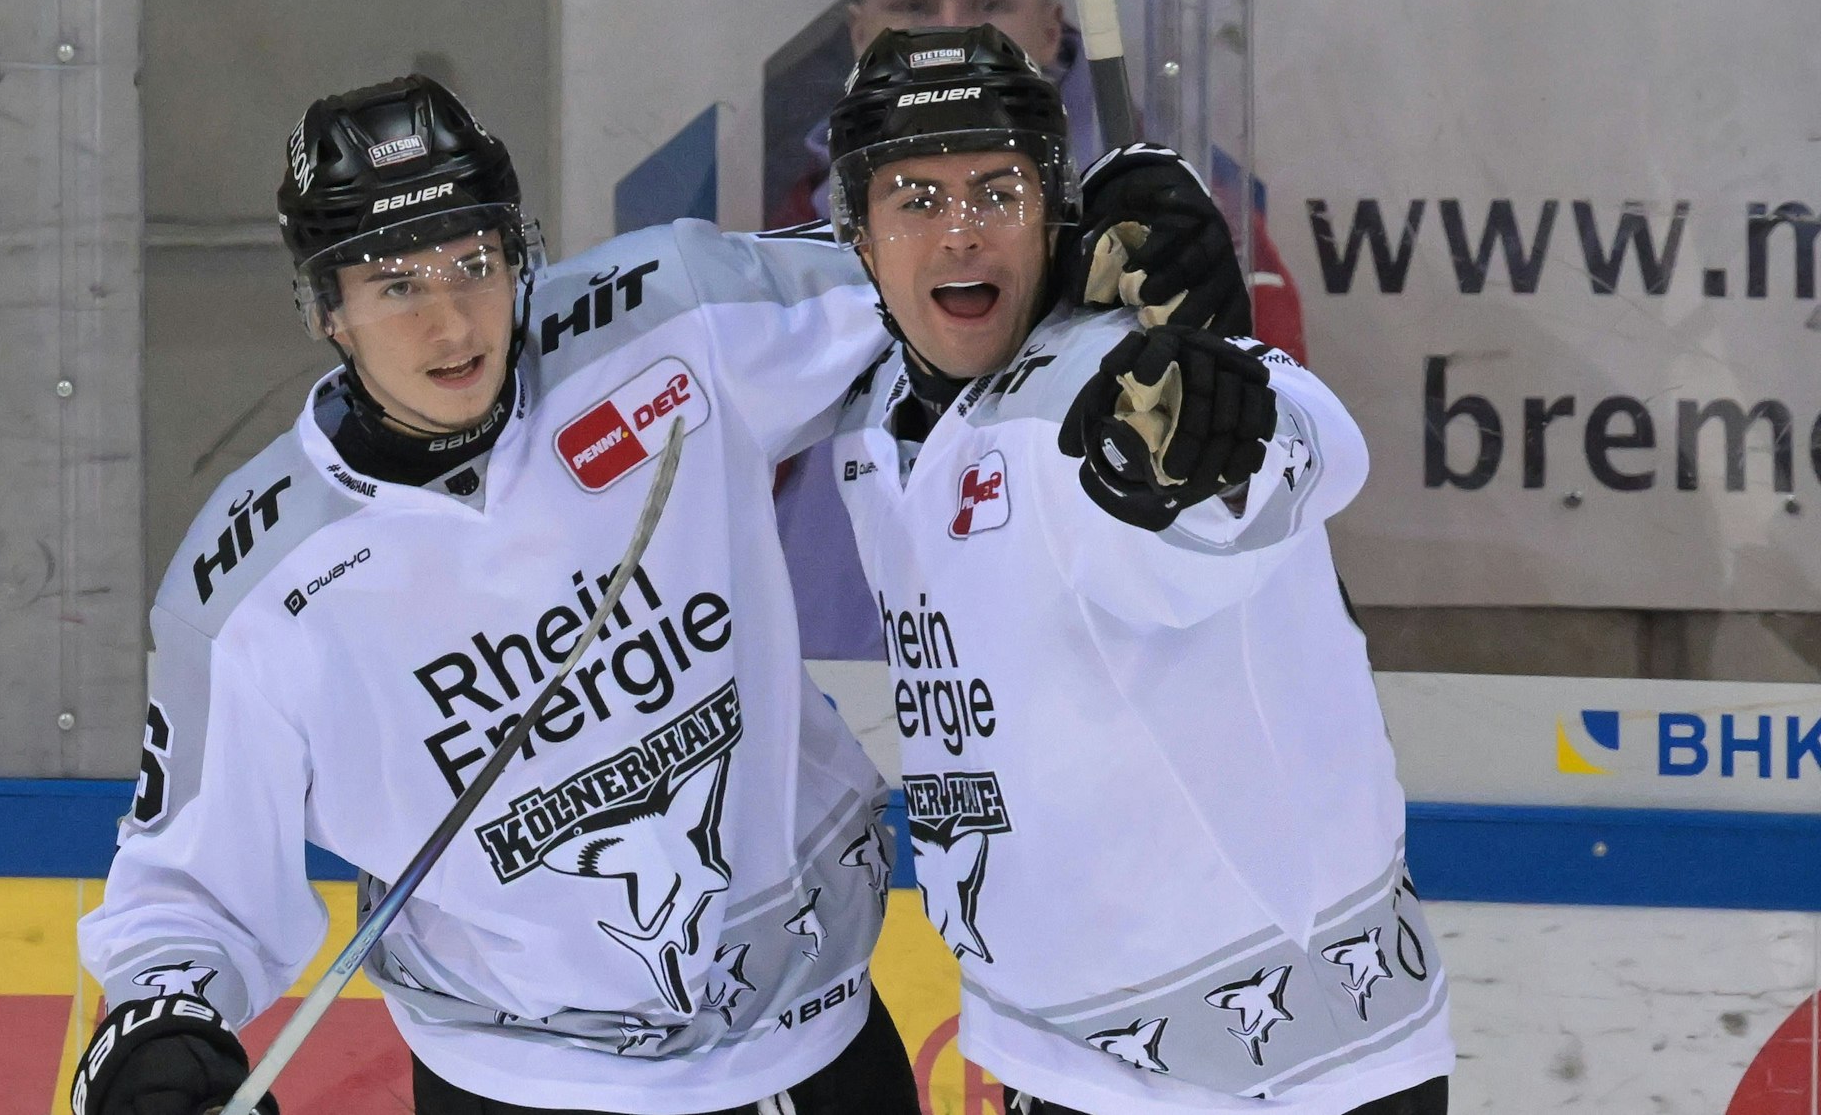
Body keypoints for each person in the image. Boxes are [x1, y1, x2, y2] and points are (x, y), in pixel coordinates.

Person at [65, 73, 1195, 1115]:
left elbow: (933, 283)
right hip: (516, 1078)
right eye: (394, 283)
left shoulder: (669, 323)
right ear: (325, 307)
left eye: (473, 263)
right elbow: (189, 886)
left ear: (521, 253)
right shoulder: (253, 585)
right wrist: (163, 1022)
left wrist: (1086, 228)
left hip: (804, 1039)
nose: (450, 321)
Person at [821, 26, 1454, 1115]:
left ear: (1051, 211)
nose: (959, 232)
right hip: (1057, 1055)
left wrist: (1212, 448)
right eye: (915, 199)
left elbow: (1295, 448)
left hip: (1279, 1079)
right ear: (860, 235)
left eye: (996, 192)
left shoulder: (1098, 384)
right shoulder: (870, 407)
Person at [769, 0, 1308, 662]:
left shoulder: (1185, 211)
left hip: (1080, 702)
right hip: (846, 680)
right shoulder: (797, 216)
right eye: (912, 6)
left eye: (991, 2)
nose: (953, 30)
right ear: (858, 33)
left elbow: (1274, 455)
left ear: (1052, 27)